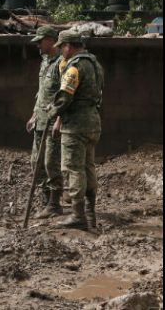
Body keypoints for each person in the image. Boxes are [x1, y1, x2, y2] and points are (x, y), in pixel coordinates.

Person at [46, 31, 104, 230]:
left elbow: (64, 98)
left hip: (76, 126)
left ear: (68, 46)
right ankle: (90, 214)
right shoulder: (96, 65)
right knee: (88, 167)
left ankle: (78, 215)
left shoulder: (74, 67)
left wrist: (51, 112)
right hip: (93, 123)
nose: (61, 52)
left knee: (72, 168)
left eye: (61, 47)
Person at [26, 26, 64, 219]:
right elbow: (42, 92)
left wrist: (59, 120)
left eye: (40, 41)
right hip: (40, 120)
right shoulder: (44, 62)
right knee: (35, 162)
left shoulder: (61, 64)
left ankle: (55, 204)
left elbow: (65, 97)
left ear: (51, 40)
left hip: (53, 122)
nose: (38, 45)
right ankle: (45, 200)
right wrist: (34, 114)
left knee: (51, 163)